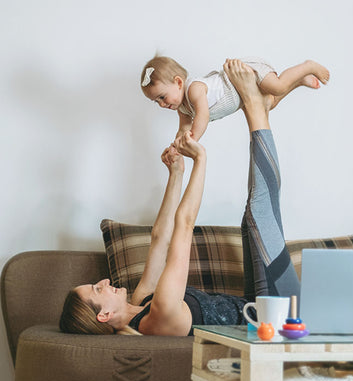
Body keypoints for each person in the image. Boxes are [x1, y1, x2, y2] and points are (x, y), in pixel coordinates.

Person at [60, 59, 300, 336]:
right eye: (98, 289)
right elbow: (183, 226)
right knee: (260, 209)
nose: (103, 281)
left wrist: (176, 173)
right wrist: (200, 160)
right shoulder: (159, 314)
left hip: (258, 307)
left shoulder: (141, 303)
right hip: (283, 321)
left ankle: (259, 106)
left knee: (252, 216)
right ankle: (256, 109)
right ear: (105, 315)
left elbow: (161, 238)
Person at [140, 55, 330, 144]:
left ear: (179, 82)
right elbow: (183, 129)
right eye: (156, 102)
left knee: (277, 86)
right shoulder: (183, 109)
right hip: (245, 92)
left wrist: (194, 139)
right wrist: (177, 146)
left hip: (247, 72)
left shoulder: (194, 89)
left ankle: (307, 66)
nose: (162, 104)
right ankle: (298, 81)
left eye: (162, 97)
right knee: (270, 103)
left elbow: (203, 117)